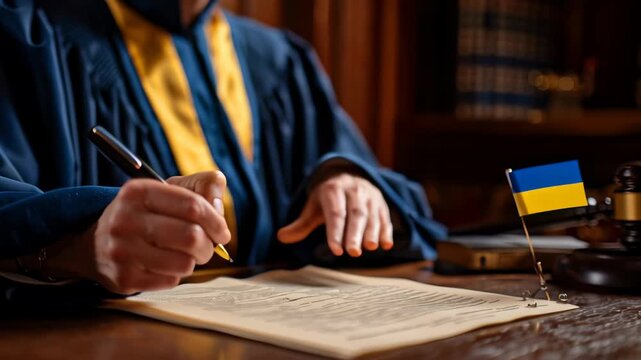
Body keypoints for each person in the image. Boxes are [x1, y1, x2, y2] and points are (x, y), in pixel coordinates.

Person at [0, 0, 446, 295]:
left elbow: (403, 212)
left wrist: (346, 183)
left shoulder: (278, 61)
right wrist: (79, 243)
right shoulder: (29, 37)